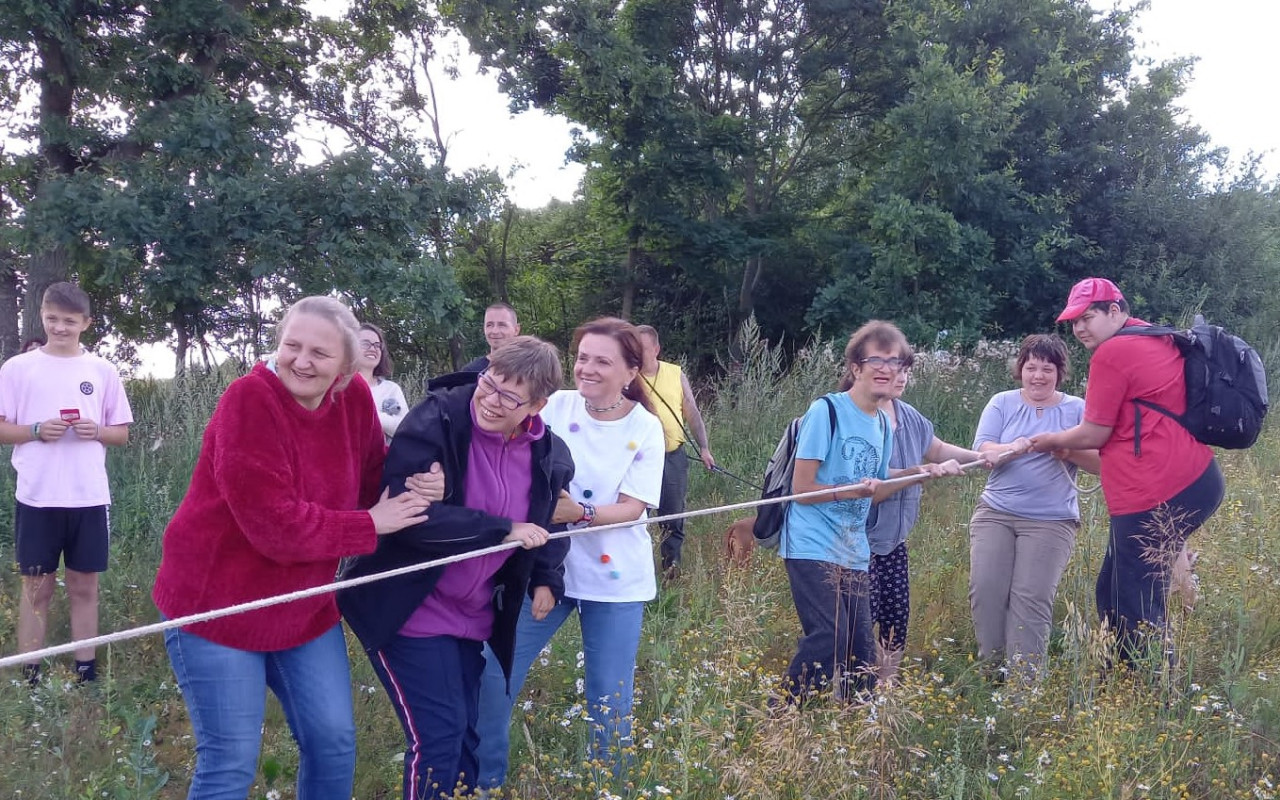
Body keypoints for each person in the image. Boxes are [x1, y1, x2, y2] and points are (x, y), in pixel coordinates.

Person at [152, 296, 444, 799]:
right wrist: (371, 524)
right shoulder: (249, 400)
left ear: (349, 365)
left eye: (320, 353)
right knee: (230, 762)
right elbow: (275, 527)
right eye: (292, 346)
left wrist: (421, 482)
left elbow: (373, 477)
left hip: (302, 606)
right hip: (218, 605)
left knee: (333, 741)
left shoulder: (353, 397)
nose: (301, 361)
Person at [338, 336, 573, 800]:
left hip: (473, 616)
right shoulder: (438, 420)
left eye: (510, 396)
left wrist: (547, 574)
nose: (491, 400)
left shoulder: (550, 452)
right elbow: (405, 519)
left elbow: (543, 514)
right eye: (490, 382)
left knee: (467, 739)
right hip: (410, 607)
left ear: (538, 404)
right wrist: (501, 528)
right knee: (438, 739)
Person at [475, 317, 665, 790]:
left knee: (609, 698)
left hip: (616, 579)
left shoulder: (647, 428)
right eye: (583, 357)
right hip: (543, 571)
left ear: (630, 373)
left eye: (603, 361)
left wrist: (575, 512)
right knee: (492, 676)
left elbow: (631, 509)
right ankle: (483, 781)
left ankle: (607, 786)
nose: (588, 369)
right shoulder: (551, 407)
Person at [1030, 278, 1224, 666]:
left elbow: (1095, 432)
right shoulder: (1155, 336)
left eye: (1088, 317)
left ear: (1115, 311)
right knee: (1116, 589)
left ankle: (1152, 691)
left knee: (1136, 599)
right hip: (1194, 480)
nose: (1080, 328)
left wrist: (1050, 439)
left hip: (1156, 490)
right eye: (1074, 321)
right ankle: (1121, 681)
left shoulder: (1113, 352)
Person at [781, 320, 952, 702]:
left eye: (894, 361)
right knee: (829, 637)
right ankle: (781, 714)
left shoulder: (882, 426)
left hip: (853, 550)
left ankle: (856, 731)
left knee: (862, 656)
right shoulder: (826, 412)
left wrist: (917, 473)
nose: (886, 368)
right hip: (811, 545)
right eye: (876, 359)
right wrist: (851, 490)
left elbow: (874, 492)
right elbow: (802, 490)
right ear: (856, 368)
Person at [0, 282, 133, 684]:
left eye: (70, 321)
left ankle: (86, 672)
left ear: (86, 323)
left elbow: (121, 433)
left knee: (83, 585)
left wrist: (97, 430)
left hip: (88, 497)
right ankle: (31, 674)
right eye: (53, 319)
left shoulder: (101, 370)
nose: (60, 328)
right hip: (37, 496)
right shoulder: (17, 369)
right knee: (36, 589)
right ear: (41, 316)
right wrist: (37, 429)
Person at [969, 334, 1099, 682]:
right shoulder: (1002, 402)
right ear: (1020, 370)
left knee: (1030, 599)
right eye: (1031, 367)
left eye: (1047, 368)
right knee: (987, 592)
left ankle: (1024, 689)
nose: (1038, 376)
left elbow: (1102, 463)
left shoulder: (1076, 408)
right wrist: (1011, 447)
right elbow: (983, 450)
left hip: (1051, 521)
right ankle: (991, 675)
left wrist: (1064, 449)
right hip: (996, 512)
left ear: (1060, 373)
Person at [867, 350, 989, 684]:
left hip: (894, 542)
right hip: (856, 542)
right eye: (894, 370)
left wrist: (982, 457)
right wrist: (920, 472)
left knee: (895, 621)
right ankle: (849, 697)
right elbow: (873, 479)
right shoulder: (859, 417)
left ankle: (886, 692)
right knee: (860, 623)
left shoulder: (909, 416)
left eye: (906, 371)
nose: (902, 378)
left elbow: (936, 449)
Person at [634, 324, 715, 575]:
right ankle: (637, 571)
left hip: (672, 456)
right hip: (637, 459)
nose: (637, 354)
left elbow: (691, 410)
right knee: (636, 518)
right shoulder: (626, 376)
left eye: (643, 349)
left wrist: (704, 448)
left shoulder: (675, 374)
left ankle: (672, 571)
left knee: (673, 517)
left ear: (656, 349)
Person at [357, 322, 409, 444]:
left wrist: (365, 412)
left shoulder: (391, 389)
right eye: (365, 344)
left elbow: (404, 429)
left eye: (377, 345)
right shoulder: (339, 387)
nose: (373, 348)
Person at [462, 302, 521, 373]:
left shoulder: (529, 367)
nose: (495, 331)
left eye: (502, 325)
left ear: (516, 330)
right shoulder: (471, 371)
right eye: (489, 325)